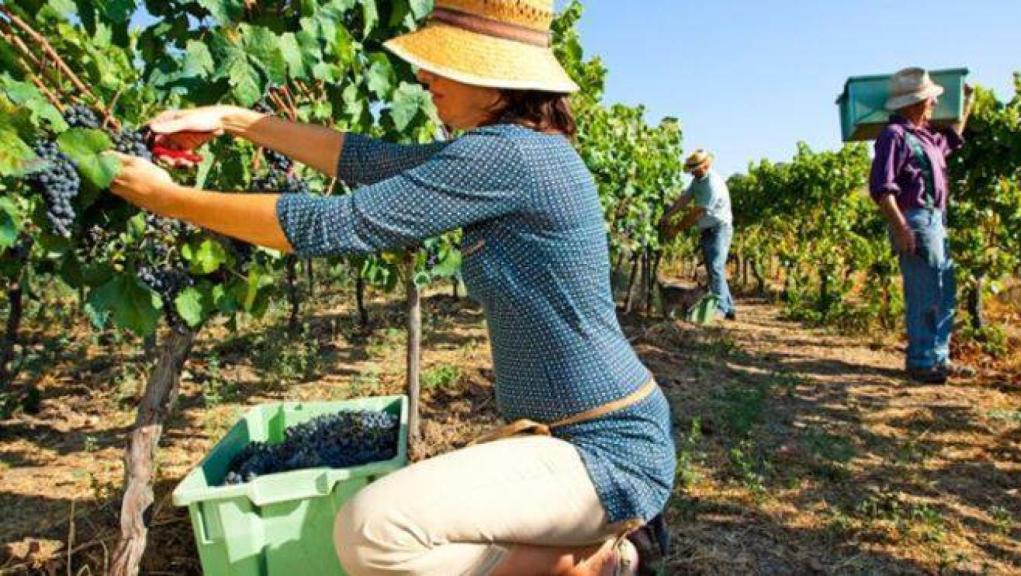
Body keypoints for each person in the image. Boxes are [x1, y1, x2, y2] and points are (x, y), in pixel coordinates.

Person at [108, 1, 676, 575]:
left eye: (442, 64)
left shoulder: (508, 156)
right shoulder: (513, 148)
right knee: (392, 533)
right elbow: (365, 159)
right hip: (572, 436)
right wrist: (232, 118)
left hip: (605, 452)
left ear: (499, 78)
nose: (422, 76)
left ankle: (597, 561)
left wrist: (166, 199)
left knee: (373, 530)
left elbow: (335, 224)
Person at [869, 67, 975, 384]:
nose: (933, 105)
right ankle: (921, 360)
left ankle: (938, 358)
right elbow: (882, 188)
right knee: (924, 291)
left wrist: (966, 103)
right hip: (914, 218)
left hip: (935, 220)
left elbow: (953, 138)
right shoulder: (894, 136)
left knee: (944, 292)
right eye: (930, 100)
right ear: (917, 103)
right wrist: (901, 227)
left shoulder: (925, 138)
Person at [659, 150, 736, 320]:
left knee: (715, 268)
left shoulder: (712, 185)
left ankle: (721, 309)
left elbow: (695, 213)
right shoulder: (697, 181)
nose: (693, 172)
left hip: (719, 229)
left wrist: (675, 229)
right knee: (714, 269)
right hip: (707, 229)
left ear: (706, 166)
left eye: (696, 168)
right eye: (692, 169)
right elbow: (684, 199)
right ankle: (729, 308)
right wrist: (668, 215)